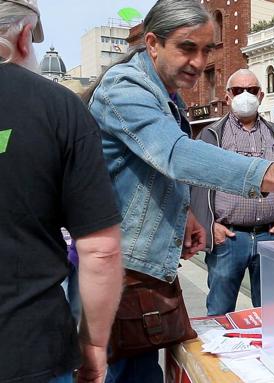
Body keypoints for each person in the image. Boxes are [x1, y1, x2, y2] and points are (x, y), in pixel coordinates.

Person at [84, 1, 274, 381]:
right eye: (187, 48)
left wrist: (182, 212)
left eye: (207, 49)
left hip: (144, 271)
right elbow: (173, 153)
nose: (198, 60)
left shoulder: (165, 92)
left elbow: (148, 169)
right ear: (153, 43)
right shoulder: (125, 88)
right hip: (120, 272)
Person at [0, 1, 124, 382]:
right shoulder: (59, 108)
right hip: (28, 348)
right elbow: (100, 250)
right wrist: (94, 346)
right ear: (24, 36)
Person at [191, 69, 274, 315]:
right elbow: (195, 186)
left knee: (273, 314)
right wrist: (209, 226)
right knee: (220, 312)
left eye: (251, 90)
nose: (245, 95)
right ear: (228, 96)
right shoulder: (211, 135)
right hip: (228, 240)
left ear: (261, 95)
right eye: (238, 90)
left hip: (272, 238)